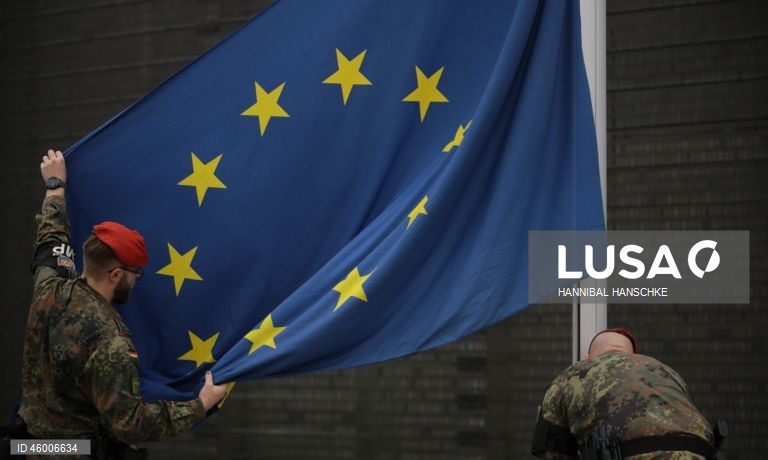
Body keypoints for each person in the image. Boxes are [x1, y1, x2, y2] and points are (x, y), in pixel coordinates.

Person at [13, 149, 229, 458]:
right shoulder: (109, 340)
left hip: (33, 447)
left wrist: (55, 185)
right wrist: (201, 404)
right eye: (135, 274)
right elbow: (130, 424)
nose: (137, 280)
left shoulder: (49, 286)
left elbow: (50, 234)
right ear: (116, 274)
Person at [531, 328, 717, 459]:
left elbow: (552, 452)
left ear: (587, 358)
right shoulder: (667, 372)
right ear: (633, 357)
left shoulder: (574, 373)